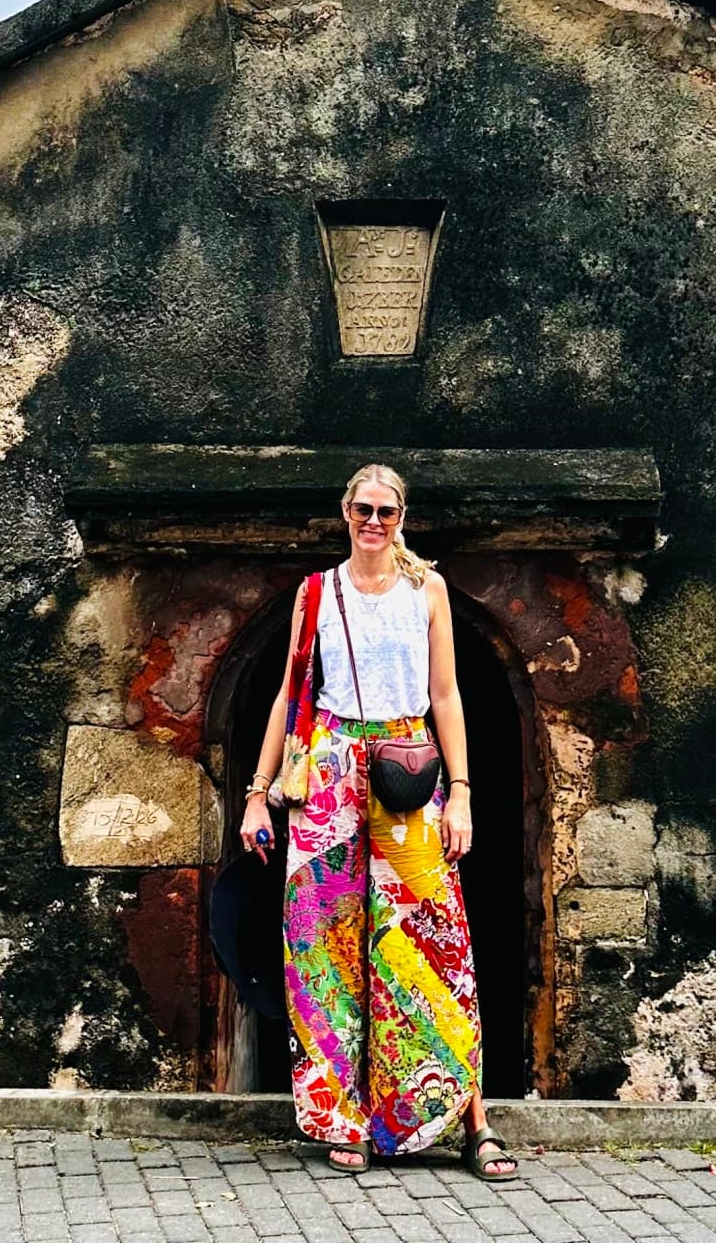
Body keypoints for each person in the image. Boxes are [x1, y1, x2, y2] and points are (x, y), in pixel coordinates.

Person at [238, 463, 517, 1182]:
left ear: (402, 516)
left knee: (431, 942)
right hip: (327, 774)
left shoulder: (428, 589)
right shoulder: (315, 593)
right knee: (325, 948)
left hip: (405, 770)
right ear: (344, 510)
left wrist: (460, 791)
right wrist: (257, 792)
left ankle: (468, 1116)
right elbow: (284, 698)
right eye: (363, 508)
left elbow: (448, 694)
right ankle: (347, 1117)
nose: (374, 520)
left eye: (387, 510)